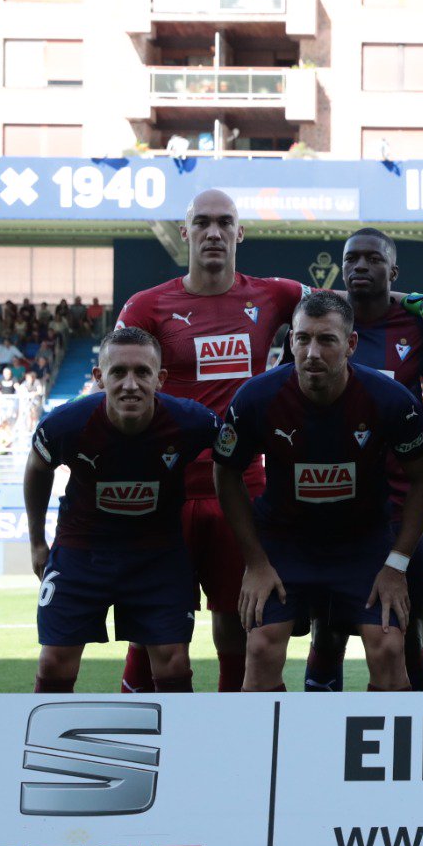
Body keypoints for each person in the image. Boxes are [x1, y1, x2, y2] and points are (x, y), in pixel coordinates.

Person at [113, 189, 310, 694]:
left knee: (240, 622)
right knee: (151, 632)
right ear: (186, 232)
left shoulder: (274, 296)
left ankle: (233, 731)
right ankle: (146, 732)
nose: (214, 232)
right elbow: (114, 389)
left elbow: (349, 303)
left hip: (242, 489)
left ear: (240, 232)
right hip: (167, 492)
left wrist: (413, 301)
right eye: (202, 222)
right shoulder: (146, 306)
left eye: (225, 222)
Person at [212, 291, 423, 693]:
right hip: (285, 543)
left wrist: (396, 564)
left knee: (389, 649)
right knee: (261, 648)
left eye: (327, 340)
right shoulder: (256, 398)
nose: (312, 352)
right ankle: (272, 736)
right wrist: (255, 561)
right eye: (302, 339)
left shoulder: (389, 399)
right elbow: (226, 473)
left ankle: (382, 736)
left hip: (364, 544)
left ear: (350, 344)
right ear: (291, 341)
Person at [300, 227, 423, 694]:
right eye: (352, 258)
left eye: (373, 259)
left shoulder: (415, 328)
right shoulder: (321, 325)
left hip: (400, 507)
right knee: (327, 630)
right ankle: (320, 728)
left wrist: (419, 419)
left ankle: (417, 727)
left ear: (393, 271)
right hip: (331, 507)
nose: (360, 266)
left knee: (407, 628)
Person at [21, 327, 220, 693]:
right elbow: (37, 466)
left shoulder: (192, 422)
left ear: (160, 378)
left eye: (142, 372)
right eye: (118, 372)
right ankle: (49, 732)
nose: (131, 384)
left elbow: (234, 458)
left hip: (157, 554)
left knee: (174, 660)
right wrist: (36, 542)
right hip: (82, 551)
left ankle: (175, 732)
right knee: (53, 661)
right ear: (100, 377)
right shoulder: (65, 425)